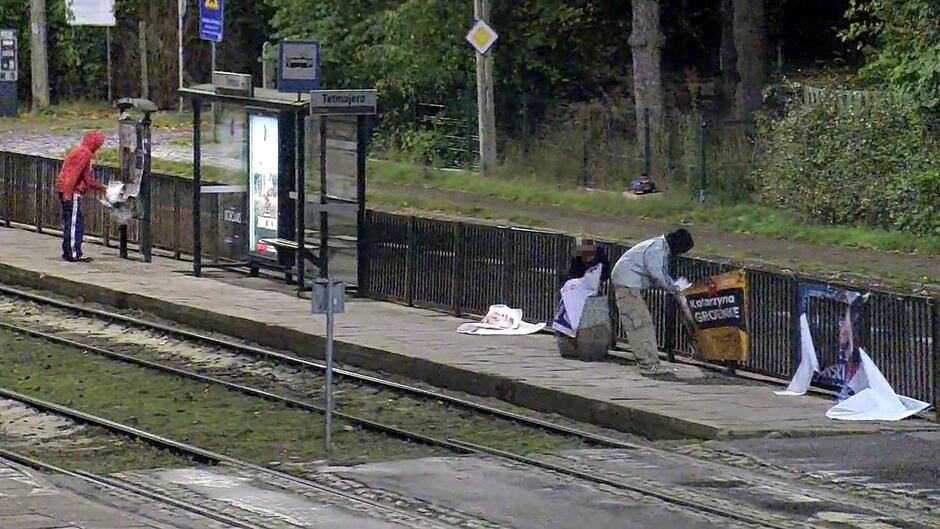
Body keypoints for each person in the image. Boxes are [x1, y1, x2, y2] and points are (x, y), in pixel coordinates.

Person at [610, 228, 694, 374]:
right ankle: (648, 365)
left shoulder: (657, 247)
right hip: (628, 286)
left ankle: (649, 362)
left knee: (641, 324)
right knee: (640, 325)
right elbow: (657, 273)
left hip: (629, 285)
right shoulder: (656, 249)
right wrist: (674, 288)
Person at [54, 131, 107, 262]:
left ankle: (70, 251)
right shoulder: (84, 154)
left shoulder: (80, 151)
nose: (99, 147)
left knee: (73, 222)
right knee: (75, 224)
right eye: (99, 144)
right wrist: (68, 192)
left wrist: (101, 187)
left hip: (67, 189)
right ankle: (73, 253)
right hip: (72, 192)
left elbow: (86, 179)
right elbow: (73, 174)